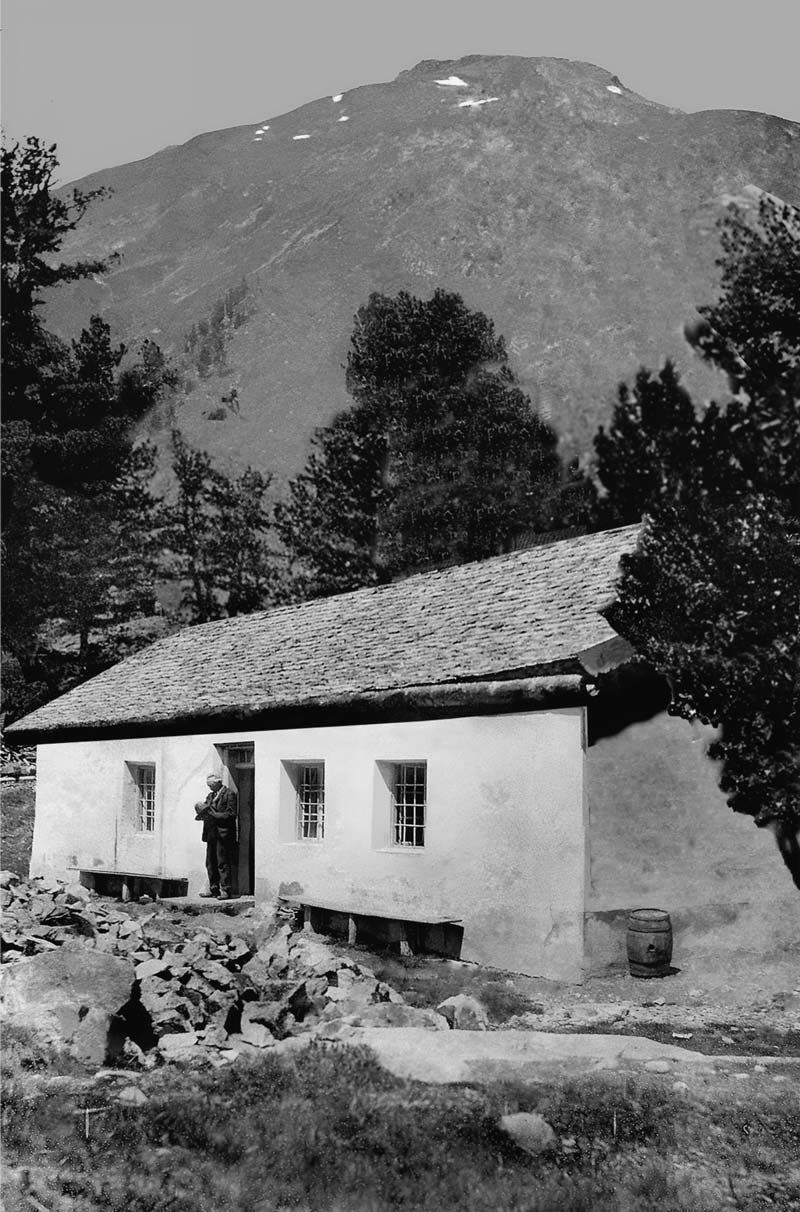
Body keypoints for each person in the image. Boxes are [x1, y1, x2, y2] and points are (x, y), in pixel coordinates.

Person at [195, 773, 238, 900]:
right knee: (210, 862)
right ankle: (213, 889)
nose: (209, 788)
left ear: (218, 783)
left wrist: (214, 815)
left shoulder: (229, 794)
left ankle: (226, 890)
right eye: (208, 786)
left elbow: (231, 814)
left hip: (223, 834)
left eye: (211, 785)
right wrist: (201, 809)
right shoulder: (210, 796)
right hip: (211, 833)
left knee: (222, 862)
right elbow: (206, 808)